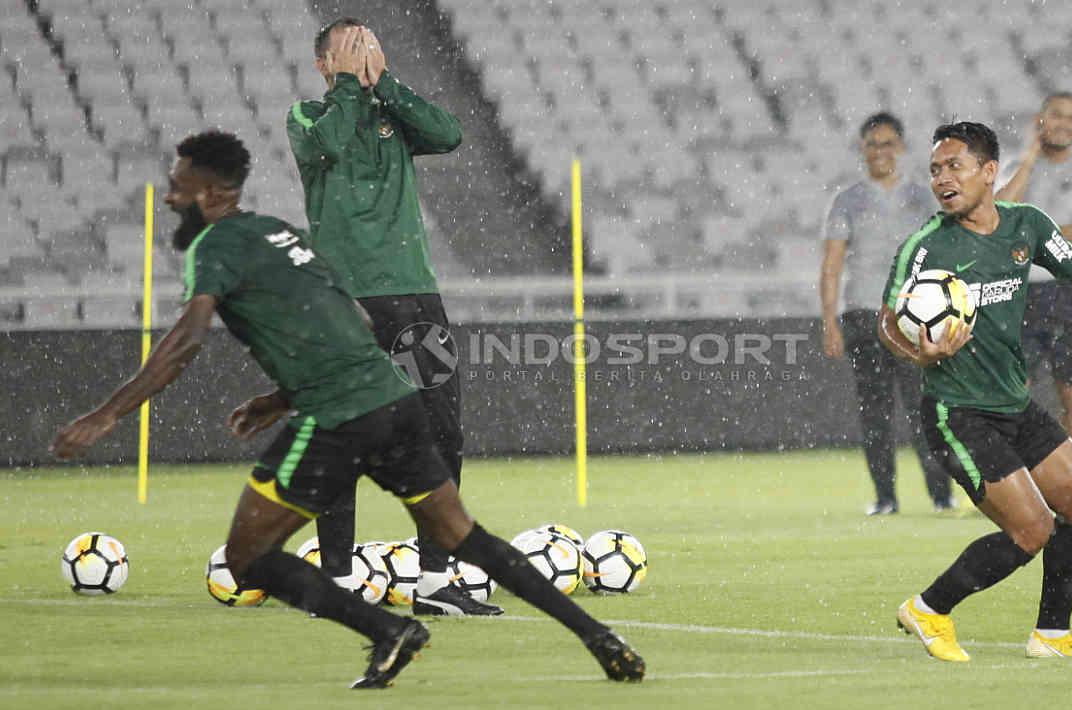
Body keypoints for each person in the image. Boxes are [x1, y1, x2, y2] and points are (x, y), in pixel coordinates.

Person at [51, 130, 644, 687]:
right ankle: (599, 638)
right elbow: (358, 320)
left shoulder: (216, 244)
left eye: (179, 185)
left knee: (247, 556)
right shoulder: (278, 234)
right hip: (395, 400)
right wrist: (278, 397)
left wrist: (108, 414)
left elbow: (185, 340)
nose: (171, 196)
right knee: (465, 536)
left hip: (339, 416)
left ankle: (388, 629)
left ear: (213, 192)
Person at [877, 122, 1072, 661]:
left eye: (954, 166)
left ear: (990, 173)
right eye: (936, 169)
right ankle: (929, 608)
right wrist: (922, 352)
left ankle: (1051, 635)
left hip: (1014, 403)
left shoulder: (1026, 226)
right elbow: (889, 323)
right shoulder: (926, 245)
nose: (942, 178)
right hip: (957, 412)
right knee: (1031, 529)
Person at [285, 19, 496, 615]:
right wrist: (353, 88)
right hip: (341, 300)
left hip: (414, 296)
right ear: (323, 65)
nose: (362, 56)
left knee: (442, 433)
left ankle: (433, 581)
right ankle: (339, 581)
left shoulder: (391, 113)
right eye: (349, 50)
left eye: (369, 46)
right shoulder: (306, 116)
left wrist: (386, 84)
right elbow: (326, 143)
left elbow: (448, 133)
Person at [820, 112, 954, 515]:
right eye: (873, 144)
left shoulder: (923, 198)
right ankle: (885, 498)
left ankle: (941, 496)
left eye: (888, 143)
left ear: (901, 148)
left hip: (916, 316)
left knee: (924, 409)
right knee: (875, 412)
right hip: (865, 314)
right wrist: (830, 321)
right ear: (862, 149)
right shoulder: (847, 200)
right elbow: (832, 265)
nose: (881, 151)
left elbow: (947, 253)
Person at [996, 92, 1072, 450]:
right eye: (1057, 115)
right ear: (1039, 120)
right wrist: (1029, 158)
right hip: (1022, 293)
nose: (1065, 123)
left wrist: (1030, 235)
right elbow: (998, 216)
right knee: (1013, 394)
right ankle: (1014, 488)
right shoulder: (1016, 166)